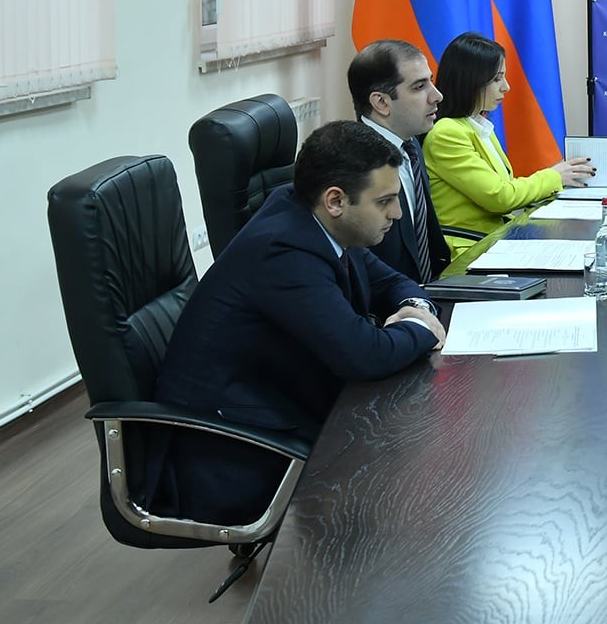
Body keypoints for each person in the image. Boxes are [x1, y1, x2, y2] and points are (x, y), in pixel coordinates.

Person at [152, 121, 448, 525]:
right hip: (233, 448)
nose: (396, 213)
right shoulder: (284, 250)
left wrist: (414, 306)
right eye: (384, 202)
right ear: (336, 200)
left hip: (287, 400)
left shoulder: (318, 219)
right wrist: (422, 328)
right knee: (416, 465)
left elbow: (393, 283)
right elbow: (363, 354)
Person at [425, 31, 596, 255]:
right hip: (469, 251)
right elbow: (500, 197)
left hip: (496, 241)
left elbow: (505, 188)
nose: (506, 87)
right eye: (497, 79)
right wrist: (555, 176)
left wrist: (556, 179)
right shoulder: (446, 133)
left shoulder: (477, 126)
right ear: (470, 80)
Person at [349, 39, 451, 285]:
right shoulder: (357, 166)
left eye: (431, 81)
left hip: (429, 287)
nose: (437, 96)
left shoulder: (410, 143)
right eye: (419, 87)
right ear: (381, 103)